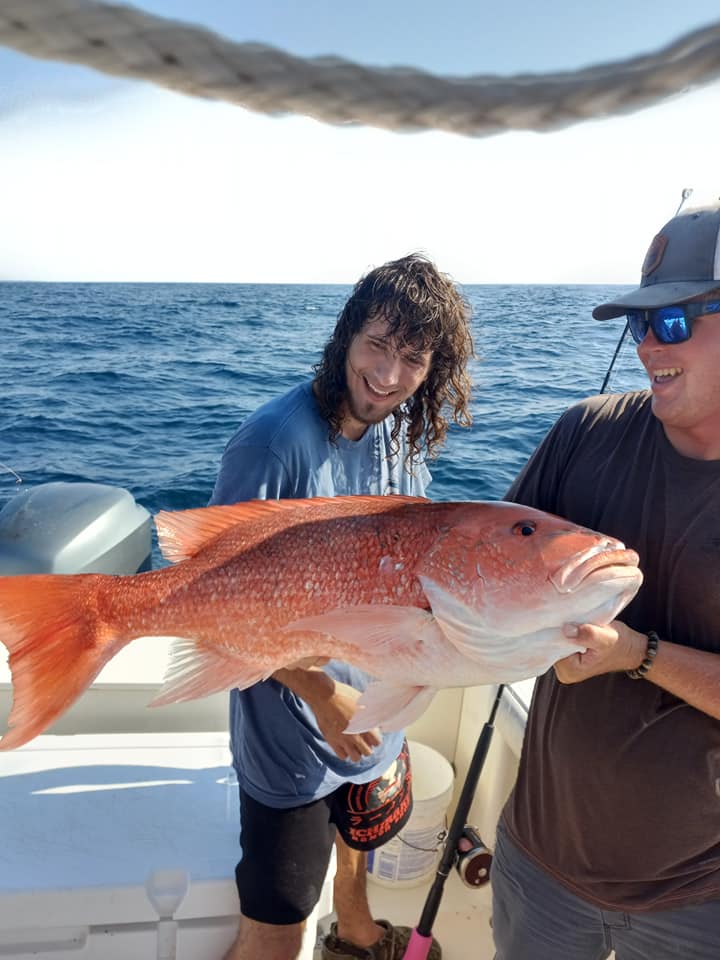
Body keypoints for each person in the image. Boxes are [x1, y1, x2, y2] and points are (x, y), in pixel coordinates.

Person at [210, 253, 474, 960]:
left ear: (432, 369)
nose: (388, 376)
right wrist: (321, 691)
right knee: (279, 923)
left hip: (371, 721)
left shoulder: (400, 435)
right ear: (346, 336)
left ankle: (355, 935)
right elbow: (219, 597)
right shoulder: (276, 442)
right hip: (293, 738)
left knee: (359, 836)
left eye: (412, 357)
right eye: (377, 346)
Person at [490, 202, 720, 959]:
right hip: (539, 864)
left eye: (676, 322)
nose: (651, 344)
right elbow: (474, 566)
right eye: (638, 325)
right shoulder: (583, 432)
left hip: (698, 900)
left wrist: (639, 654)